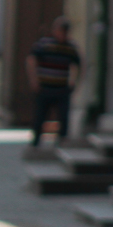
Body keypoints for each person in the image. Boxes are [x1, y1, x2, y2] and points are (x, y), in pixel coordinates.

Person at [26, 16, 80, 147]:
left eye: (65, 32)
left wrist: (74, 82)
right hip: (45, 87)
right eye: (61, 31)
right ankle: (36, 143)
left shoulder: (70, 47)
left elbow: (78, 64)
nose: (63, 35)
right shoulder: (44, 44)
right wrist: (34, 80)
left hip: (61, 88)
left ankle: (62, 143)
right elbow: (31, 60)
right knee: (40, 116)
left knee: (63, 118)